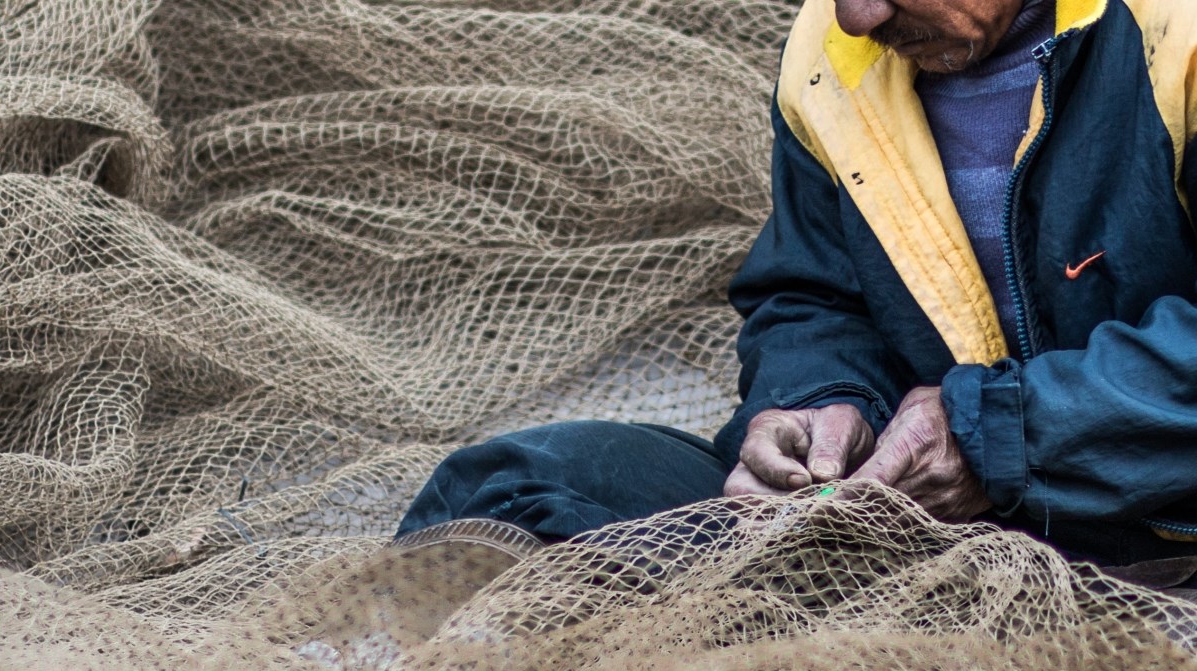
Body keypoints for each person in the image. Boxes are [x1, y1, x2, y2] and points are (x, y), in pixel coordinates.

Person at [395, 0, 1197, 579]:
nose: (856, 14)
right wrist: (821, 404)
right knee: (515, 487)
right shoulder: (832, 54)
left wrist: (996, 435)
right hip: (927, 538)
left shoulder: (1177, 34)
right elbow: (816, 296)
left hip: (1163, 540)